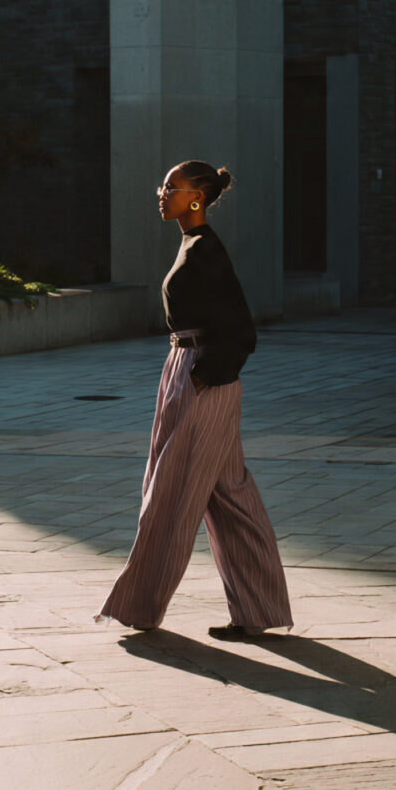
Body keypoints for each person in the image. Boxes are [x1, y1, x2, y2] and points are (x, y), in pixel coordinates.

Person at [95, 160, 293, 640]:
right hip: (187, 371)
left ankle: (140, 607)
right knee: (230, 495)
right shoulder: (194, 244)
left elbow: (240, 330)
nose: (161, 194)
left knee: (171, 492)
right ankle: (258, 610)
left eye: (171, 187)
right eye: (160, 185)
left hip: (201, 376)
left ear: (197, 198)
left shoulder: (205, 250)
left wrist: (203, 376)